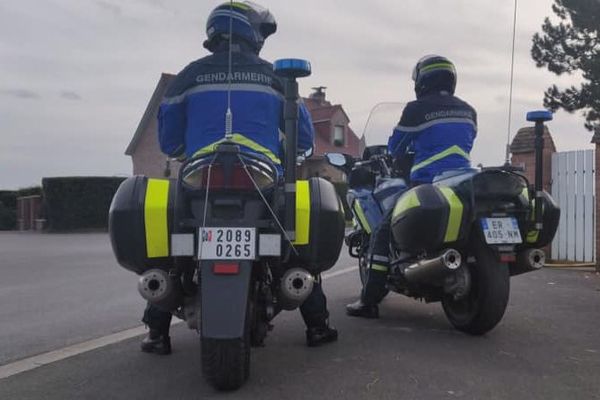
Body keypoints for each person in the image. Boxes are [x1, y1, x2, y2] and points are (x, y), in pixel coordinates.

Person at [141, 1, 337, 355]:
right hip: (261, 179)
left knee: (176, 253)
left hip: (200, 177)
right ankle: (317, 325)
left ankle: (157, 332)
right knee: (294, 253)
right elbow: (304, 141)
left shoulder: (187, 76)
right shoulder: (276, 76)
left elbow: (169, 141)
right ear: (253, 34)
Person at [346, 54, 477, 318]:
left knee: (383, 231)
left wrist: (399, 153)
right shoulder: (468, 110)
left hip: (427, 181)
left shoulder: (417, 109)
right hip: (463, 180)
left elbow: (396, 146)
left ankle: (368, 301)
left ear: (422, 81)